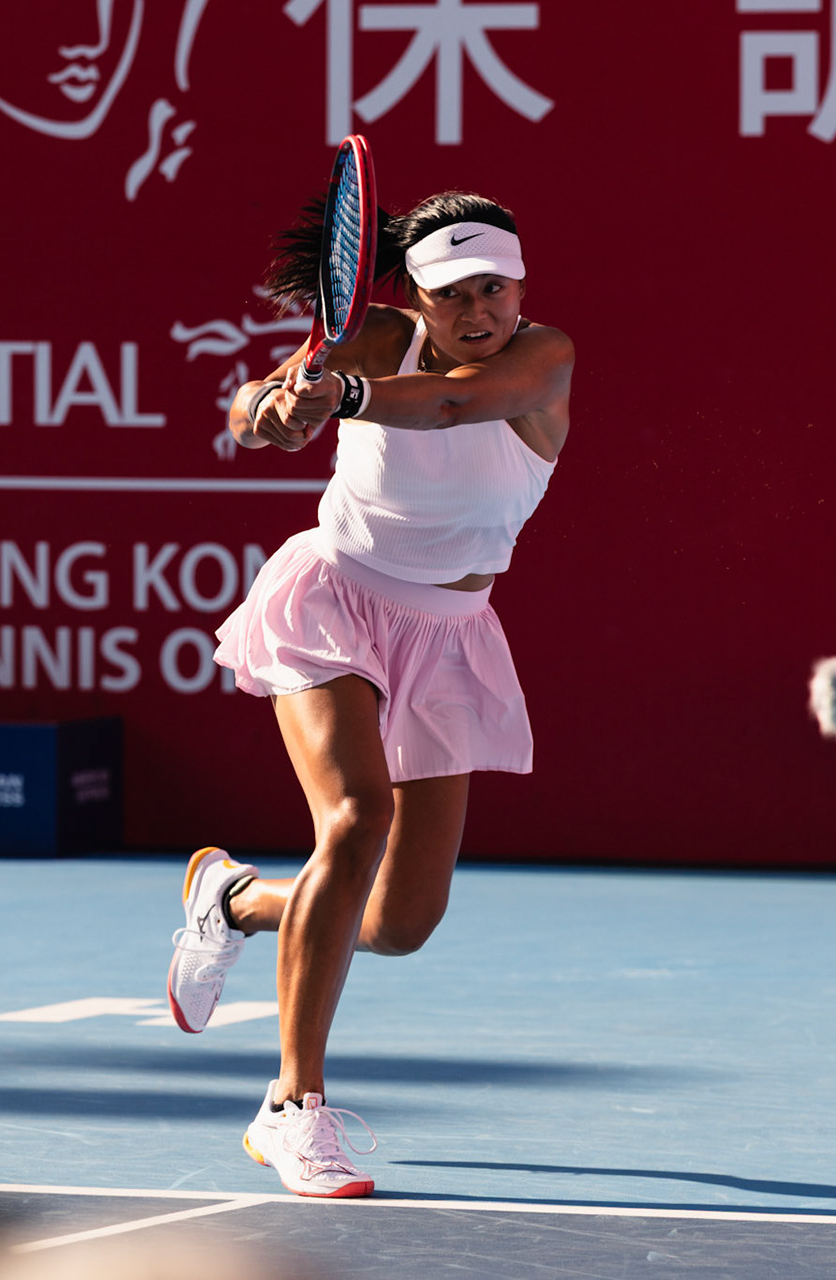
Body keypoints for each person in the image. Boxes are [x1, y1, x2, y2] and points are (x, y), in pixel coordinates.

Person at [164, 190, 574, 1198]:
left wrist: (343, 397)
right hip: (334, 600)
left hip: (449, 633)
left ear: (522, 286)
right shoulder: (376, 337)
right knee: (355, 817)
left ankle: (234, 898)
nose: (477, 310)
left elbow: (451, 405)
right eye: (452, 294)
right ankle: (291, 1109)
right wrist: (273, 411)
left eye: (494, 288)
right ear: (417, 300)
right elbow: (249, 412)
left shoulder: (543, 360)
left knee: (398, 921)